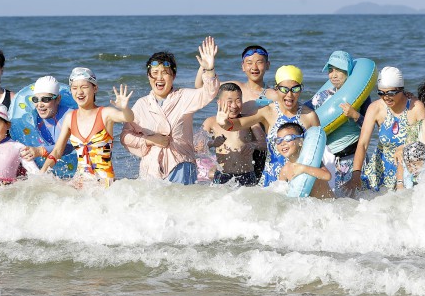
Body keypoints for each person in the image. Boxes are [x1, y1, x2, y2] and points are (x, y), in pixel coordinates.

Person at [121, 37, 220, 184]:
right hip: (151, 169)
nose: (159, 78)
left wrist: (209, 70)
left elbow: (208, 93)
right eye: (155, 72)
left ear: (173, 76)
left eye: (165, 73)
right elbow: (125, 136)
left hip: (181, 165)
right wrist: (149, 140)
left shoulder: (183, 97)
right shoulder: (141, 104)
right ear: (148, 76)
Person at [216, 65, 320, 186]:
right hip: (271, 180)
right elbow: (240, 123)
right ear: (276, 89)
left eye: (295, 89)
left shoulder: (310, 116)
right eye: (284, 89)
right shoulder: (268, 111)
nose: (289, 95)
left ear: (301, 89)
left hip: (299, 178)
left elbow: (319, 150)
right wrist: (225, 123)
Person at [43, 67, 133, 186]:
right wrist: (41, 174)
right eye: (74, 88)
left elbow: (128, 118)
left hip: (105, 185)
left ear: (95, 88)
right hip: (80, 183)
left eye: (84, 87)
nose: (79, 92)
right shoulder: (70, 118)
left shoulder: (105, 114)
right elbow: (57, 151)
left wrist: (125, 108)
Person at [345, 66, 425, 192]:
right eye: (381, 93)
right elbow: (363, 144)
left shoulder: (416, 108)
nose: (386, 97)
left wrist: (405, 147)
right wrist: (356, 174)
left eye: (390, 93)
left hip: (407, 168)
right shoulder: (375, 108)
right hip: (380, 169)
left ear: (401, 89)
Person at [308, 50, 371, 194]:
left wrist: (356, 115)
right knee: (335, 202)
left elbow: (369, 128)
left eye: (339, 70)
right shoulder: (321, 98)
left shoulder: (361, 97)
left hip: (353, 158)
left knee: (360, 200)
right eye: (330, 70)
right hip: (331, 161)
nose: (333, 75)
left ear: (348, 71)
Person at [202, 83, 261, 186]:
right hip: (222, 174)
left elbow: (264, 143)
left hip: (246, 174)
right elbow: (198, 146)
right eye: (229, 102)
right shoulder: (211, 122)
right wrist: (212, 143)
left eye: (238, 101)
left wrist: (253, 145)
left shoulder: (249, 120)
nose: (234, 106)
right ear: (219, 102)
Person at [22, 75, 75, 161]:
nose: (39, 105)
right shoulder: (33, 117)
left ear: (58, 99)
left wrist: (40, 151)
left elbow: (70, 146)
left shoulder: (69, 116)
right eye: (35, 99)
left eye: (45, 99)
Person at [276, 122, 334, 199]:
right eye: (278, 140)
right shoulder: (284, 171)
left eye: (288, 138)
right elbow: (280, 194)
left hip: (327, 204)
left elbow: (327, 176)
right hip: (308, 205)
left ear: (300, 141)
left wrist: (304, 168)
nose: (282, 143)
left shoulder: (311, 160)